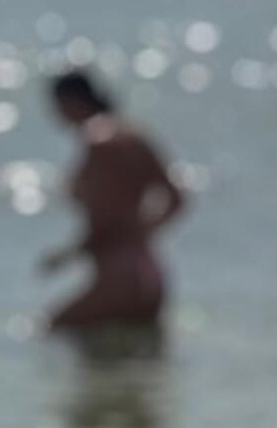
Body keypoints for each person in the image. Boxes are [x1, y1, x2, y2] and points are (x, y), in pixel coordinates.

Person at [41, 66, 185, 333]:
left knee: (50, 332)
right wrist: (141, 234)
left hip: (119, 279)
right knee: (133, 368)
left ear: (70, 101)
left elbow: (104, 221)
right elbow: (177, 199)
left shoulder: (98, 143)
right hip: (149, 272)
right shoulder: (136, 135)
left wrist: (68, 255)